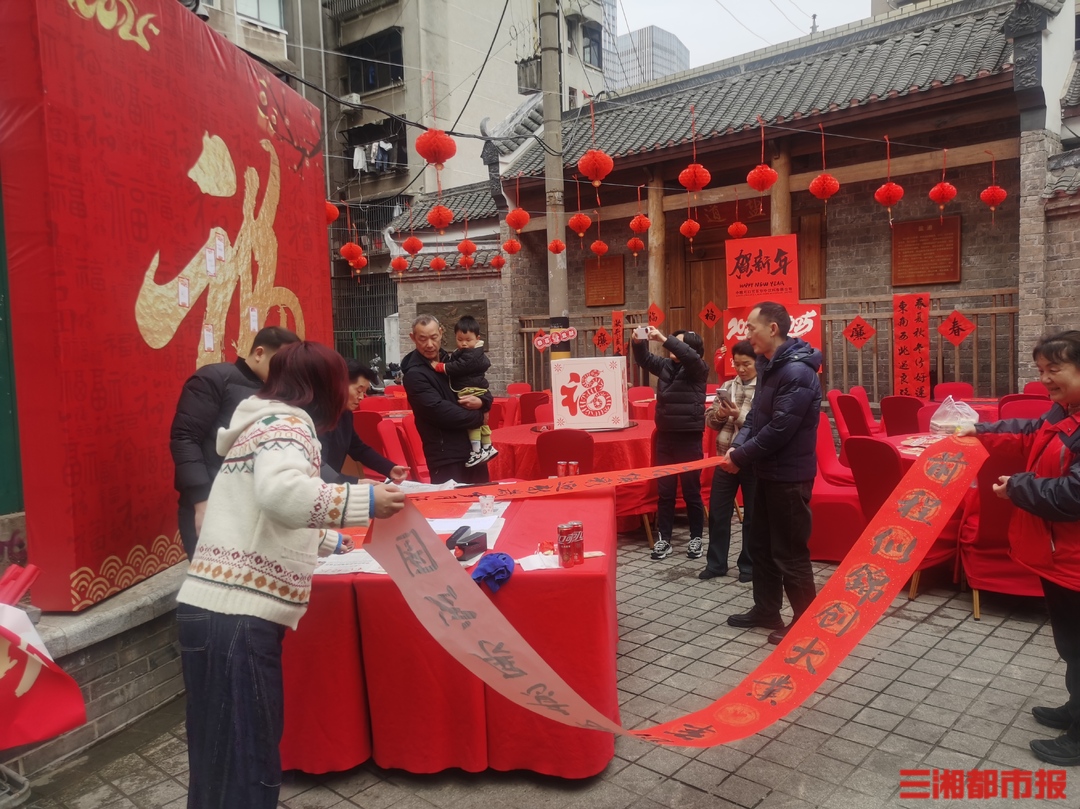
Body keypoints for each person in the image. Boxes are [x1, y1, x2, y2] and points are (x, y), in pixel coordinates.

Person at [176, 341, 405, 807]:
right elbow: (282, 495)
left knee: (216, 758)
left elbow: (256, 510)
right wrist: (365, 503)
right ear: (323, 387)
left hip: (211, 608)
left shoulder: (256, 423)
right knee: (247, 761)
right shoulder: (288, 424)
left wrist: (327, 540)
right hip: (238, 616)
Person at [961, 330, 1080, 767]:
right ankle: (1075, 708)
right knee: (1072, 645)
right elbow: (1031, 431)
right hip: (1063, 558)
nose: (1046, 379)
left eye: (1056, 370)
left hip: (1076, 557)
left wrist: (1018, 486)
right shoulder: (1065, 411)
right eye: (1042, 370)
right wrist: (979, 429)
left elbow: (1074, 495)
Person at [720, 302, 821, 645]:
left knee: (789, 551)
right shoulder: (768, 367)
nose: (746, 333)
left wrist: (741, 456)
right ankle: (766, 609)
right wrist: (739, 450)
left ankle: (806, 620)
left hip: (789, 476)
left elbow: (780, 429)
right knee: (760, 544)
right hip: (765, 472)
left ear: (772, 329)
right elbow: (754, 420)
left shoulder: (797, 372)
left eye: (751, 327)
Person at [170, 326, 299, 560]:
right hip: (212, 501)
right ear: (259, 353)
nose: (285, 372)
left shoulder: (275, 393)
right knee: (209, 585)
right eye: (280, 363)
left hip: (255, 506)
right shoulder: (213, 379)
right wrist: (201, 502)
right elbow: (185, 439)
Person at [632, 326, 709, 560]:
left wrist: (665, 339)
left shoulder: (698, 369)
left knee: (691, 492)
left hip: (689, 437)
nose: (674, 344)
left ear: (692, 348)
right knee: (664, 492)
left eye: (680, 342)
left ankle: (696, 538)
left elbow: (689, 357)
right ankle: (663, 539)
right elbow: (644, 359)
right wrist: (638, 342)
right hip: (665, 436)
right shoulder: (666, 366)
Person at [401, 315, 492, 484]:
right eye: (422, 339)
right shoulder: (414, 375)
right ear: (413, 338)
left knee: (482, 503)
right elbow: (438, 411)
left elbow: (477, 384)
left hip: (473, 451)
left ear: (441, 333)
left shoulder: (450, 362)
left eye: (434, 337)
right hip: (446, 457)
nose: (429, 344)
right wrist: (479, 417)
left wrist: (483, 402)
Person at [701, 339, 757, 582]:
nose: (741, 369)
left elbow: (763, 425)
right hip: (725, 457)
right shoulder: (727, 386)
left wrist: (739, 415)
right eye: (737, 364)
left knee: (753, 515)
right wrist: (720, 414)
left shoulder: (765, 388)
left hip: (752, 459)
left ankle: (749, 566)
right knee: (718, 512)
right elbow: (711, 422)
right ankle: (716, 564)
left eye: (747, 364)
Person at [318, 359, 408, 485]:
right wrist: (357, 483)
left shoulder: (344, 413)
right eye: (358, 391)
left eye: (364, 392)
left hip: (333, 487)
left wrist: (389, 468)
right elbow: (319, 468)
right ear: (339, 384)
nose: (361, 397)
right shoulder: (318, 417)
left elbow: (357, 448)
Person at [431, 316, 498, 468]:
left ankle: (476, 451)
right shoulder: (468, 352)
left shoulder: (471, 355)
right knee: (479, 422)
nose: (464, 343)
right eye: (460, 339)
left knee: (472, 422)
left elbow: (458, 367)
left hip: (471, 389)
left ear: (477, 338)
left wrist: (440, 367)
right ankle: (487, 447)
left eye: (468, 339)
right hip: (475, 388)